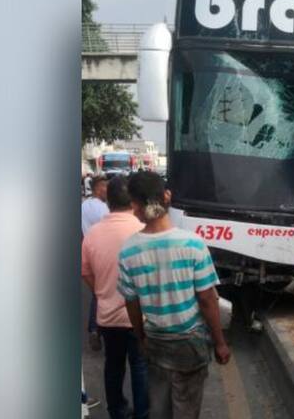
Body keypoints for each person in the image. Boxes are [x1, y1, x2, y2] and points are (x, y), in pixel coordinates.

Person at [118, 171, 231, 419]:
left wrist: (141, 337)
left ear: (135, 206)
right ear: (167, 196)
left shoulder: (128, 251)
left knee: (159, 409)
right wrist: (220, 342)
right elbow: (207, 299)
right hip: (189, 345)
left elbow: (131, 302)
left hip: (155, 342)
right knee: (186, 410)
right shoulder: (193, 244)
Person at [82, 176, 148, 419]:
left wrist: (101, 291)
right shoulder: (143, 231)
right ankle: (143, 413)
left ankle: (117, 412)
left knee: (113, 366)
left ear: (107, 201)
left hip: (108, 315)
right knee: (140, 366)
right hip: (141, 316)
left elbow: (85, 271)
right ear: (133, 201)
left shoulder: (93, 234)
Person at [82, 175, 109, 351]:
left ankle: (94, 330)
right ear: (98, 188)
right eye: (105, 187)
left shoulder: (84, 205)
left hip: (88, 250)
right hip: (101, 252)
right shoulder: (103, 209)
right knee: (103, 292)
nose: (108, 190)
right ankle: (101, 328)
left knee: (97, 292)